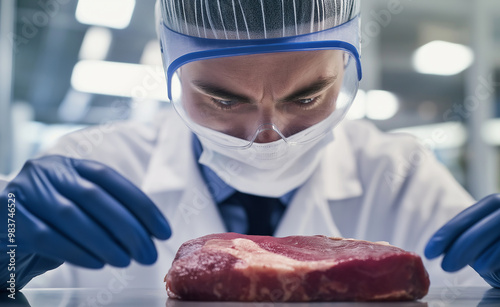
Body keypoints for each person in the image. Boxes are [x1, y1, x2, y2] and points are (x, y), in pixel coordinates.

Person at [1, 0, 499, 292]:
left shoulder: (400, 173)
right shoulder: (96, 163)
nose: (266, 134)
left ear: (346, 68)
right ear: (172, 73)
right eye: (222, 99)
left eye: (307, 95)